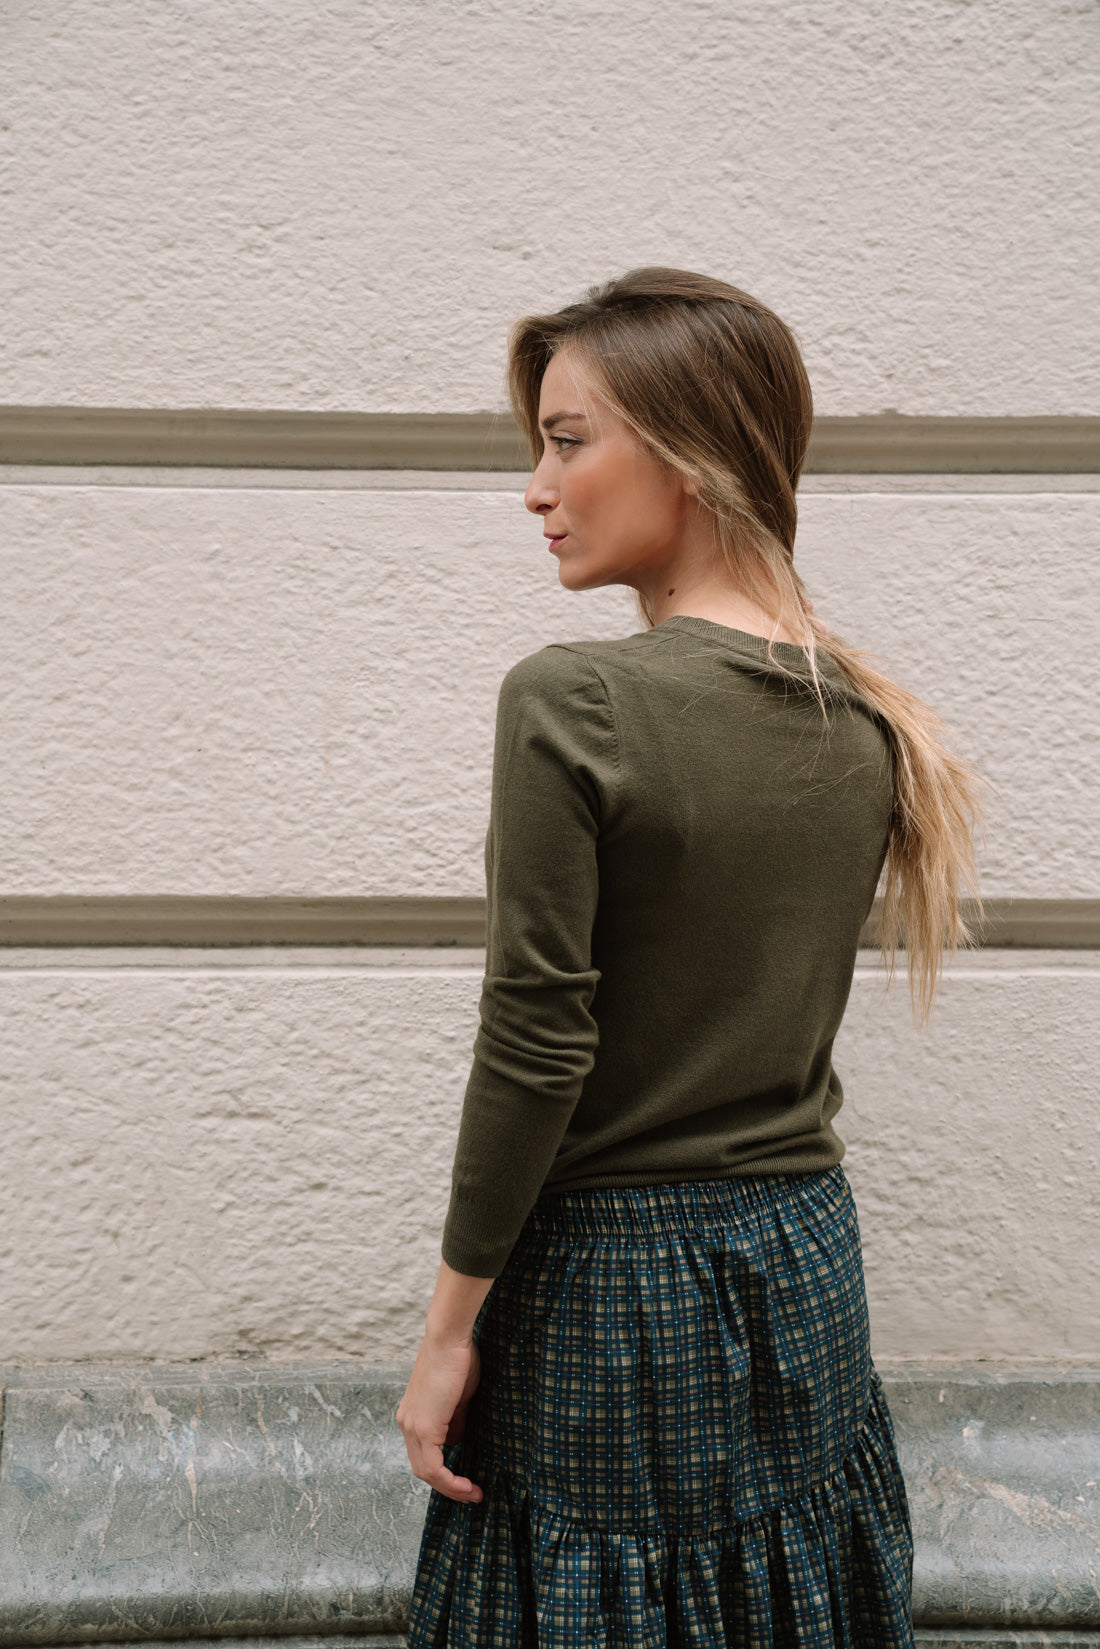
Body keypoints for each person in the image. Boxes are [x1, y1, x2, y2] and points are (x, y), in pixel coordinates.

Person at [396, 267, 982, 1646]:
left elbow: (536, 1041)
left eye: (567, 440)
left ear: (691, 453)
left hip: (616, 1293)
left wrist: (446, 1332)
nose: (536, 488)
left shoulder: (575, 700)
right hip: (806, 1260)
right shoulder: (867, 724)